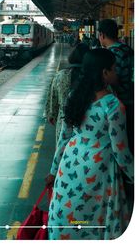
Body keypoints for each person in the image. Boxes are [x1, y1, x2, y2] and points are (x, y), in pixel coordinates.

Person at [45, 49, 133, 240]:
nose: (117, 72)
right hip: (99, 169)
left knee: (71, 211)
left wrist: (53, 171)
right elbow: (121, 152)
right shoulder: (113, 105)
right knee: (95, 218)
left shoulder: (75, 96)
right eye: (114, 68)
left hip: (69, 164)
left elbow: (63, 137)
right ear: (104, 73)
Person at [98, 19, 134, 153]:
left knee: (120, 140)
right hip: (132, 97)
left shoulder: (110, 54)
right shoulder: (128, 49)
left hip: (119, 102)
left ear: (101, 35)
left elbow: (112, 80)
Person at [46, 43, 89, 144]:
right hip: (89, 125)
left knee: (64, 155)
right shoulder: (95, 77)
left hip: (64, 123)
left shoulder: (59, 76)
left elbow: (52, 107)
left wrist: (52, 115)